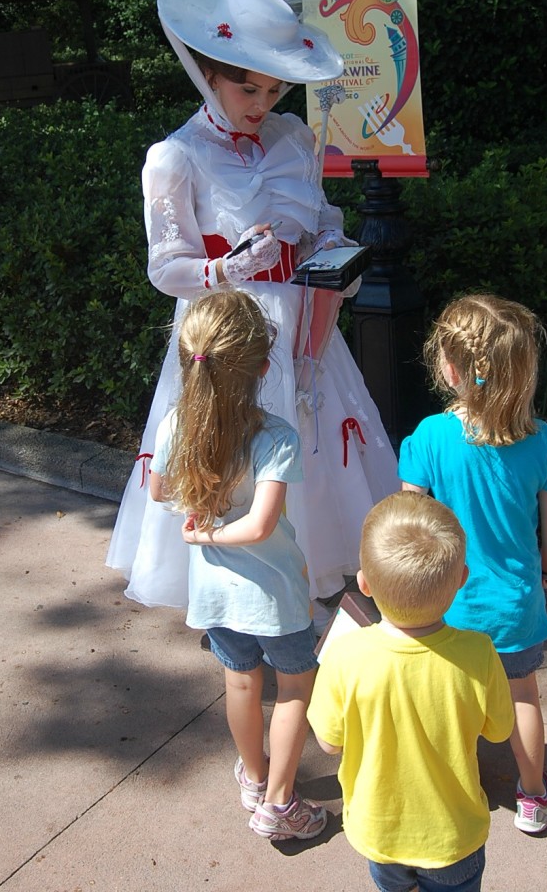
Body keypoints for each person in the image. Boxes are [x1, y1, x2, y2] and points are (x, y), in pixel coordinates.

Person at [106, 0, 398, 622]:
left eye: (274, 87)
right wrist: (223, 268)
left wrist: (335, 254)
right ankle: (239, 594)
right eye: (249, 86)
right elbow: (164, 266)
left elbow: (322, 219)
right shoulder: (173, 157)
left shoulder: (295, 138)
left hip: (305, 325)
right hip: (229, 333)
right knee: (233, 453)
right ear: (208, 70)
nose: (263, 101)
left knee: (316, 450)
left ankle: (315, 582)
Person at [148, 289, 326, 841]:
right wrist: (218, 531)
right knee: (296, 686)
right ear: (263, 365)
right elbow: (261, 527)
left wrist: (199, 528)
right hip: (276, 595)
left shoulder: (176, 423)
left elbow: (157, 489)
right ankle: (279, 803)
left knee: (241, 683)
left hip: (215, 596)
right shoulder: (276, 437)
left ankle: (253, 777)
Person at [399, 293, 547, 835]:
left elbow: (410, 517)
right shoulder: (544, 444)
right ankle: (533, 795)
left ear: (448, 368)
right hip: (514, 603)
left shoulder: (429, 437)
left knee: (449, 702)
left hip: (446, 602)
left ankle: (455, 789)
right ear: (523, 371)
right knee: (522, 695)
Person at [308, 491, 514, 892]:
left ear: (364, 584)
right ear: (461, 581)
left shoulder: (345, 654)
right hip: (454, 836)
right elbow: (500, 730)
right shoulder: (479, 653)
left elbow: (329, 743)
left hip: (380, 833)